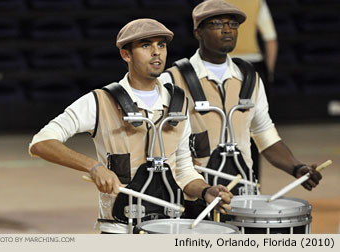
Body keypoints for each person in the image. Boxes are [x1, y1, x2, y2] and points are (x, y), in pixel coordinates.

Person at [28, 18, 233, 234]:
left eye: (161, 45)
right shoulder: (100, 101)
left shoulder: (179, 104)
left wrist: (205, 190)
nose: (156, 52)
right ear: (126, 55)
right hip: (119, 229)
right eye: (146, 45)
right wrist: (94, 167)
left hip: (169, 227)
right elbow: (40, 143)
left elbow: (183, 170)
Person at [160, 0, 322, 199]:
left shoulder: (251, 79)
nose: (227, 29)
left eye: (233, 24)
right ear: (198, 32)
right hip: (194, 197)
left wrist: (297, 168)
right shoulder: (172, 80)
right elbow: (160, 141)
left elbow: (264, 134)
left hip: (242, 194)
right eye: (217, 24)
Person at [228, 0, 279, 180]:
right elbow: (270, 39)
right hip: (254, 66)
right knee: (254, 128)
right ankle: (253, 182)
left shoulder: (214, 2)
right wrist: (269, 73)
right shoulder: (256, 2)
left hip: (225, 65)